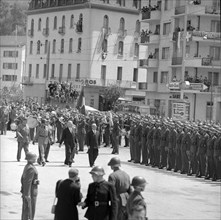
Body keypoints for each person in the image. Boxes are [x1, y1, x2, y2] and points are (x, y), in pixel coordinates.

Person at [20, 152, 39, 220]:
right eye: (34, 158)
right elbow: (27, 182)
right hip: (31, 191)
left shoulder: (27, 166)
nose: (35, 159)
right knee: (30, 210)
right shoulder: (31, 168)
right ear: (30, 159)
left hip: (29, 190)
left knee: (26, 209)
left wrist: (35, 181)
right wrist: (27, 194)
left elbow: (22, 179)